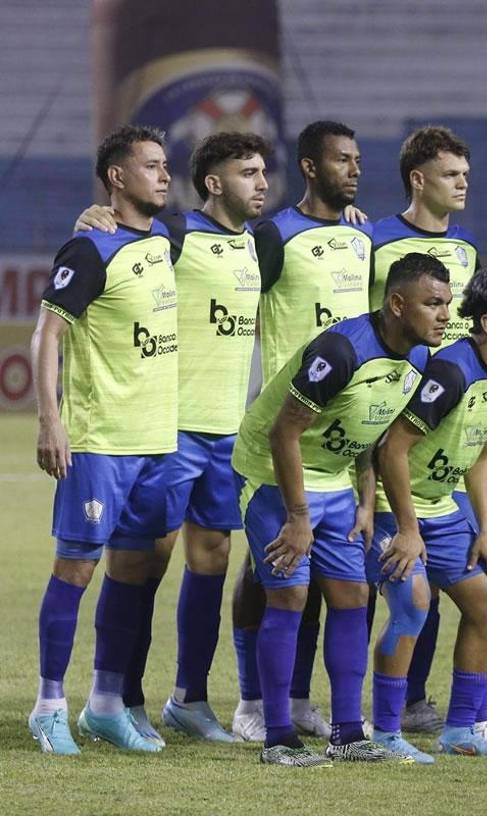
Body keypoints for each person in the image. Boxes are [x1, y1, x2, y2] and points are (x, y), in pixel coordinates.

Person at [72, 132, 273, 744]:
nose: (262, 182)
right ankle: (118, 699)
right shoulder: (175, 235)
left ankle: (189, 697)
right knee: (142, 561)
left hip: (227, 431)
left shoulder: (263, 243)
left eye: (264, 171)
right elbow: (115, 245)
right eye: (248, 172)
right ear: (214, 182)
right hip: (169, 427)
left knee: (211, 560)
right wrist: (90, 216)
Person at [230, 252, 449, 766]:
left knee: (352, 596)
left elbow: (369, 438)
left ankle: (349, 734)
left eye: (447, 303)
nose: (444, 314)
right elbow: (284, 432)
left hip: (334, 480)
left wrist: (367, 502)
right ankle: (278, 738)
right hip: (269, 472)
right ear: (397, 304)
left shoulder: (417, 360)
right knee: (289, 598)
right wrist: (298, 517)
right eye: (432, 303)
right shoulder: (343, 349)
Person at [29, 125, 177, 754]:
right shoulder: (90, 249)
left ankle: (106, 703)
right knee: (76, 568)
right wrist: (50, 420)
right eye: (151, 166)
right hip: (99, 442)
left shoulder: (164, 239)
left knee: (134, 570)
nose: (166, 175)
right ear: (118, 178)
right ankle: (47, 705)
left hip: (154, 439)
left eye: (167, 164)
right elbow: (46, 336)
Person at [231, 120, 374, 741]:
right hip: (287, 418)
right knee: (265, 569)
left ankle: (295, 698)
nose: (355, 170)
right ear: (311, 167)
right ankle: (251, 701)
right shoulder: (274, 235)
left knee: (321, 579)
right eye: (343, 160)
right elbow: (232, 293)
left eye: (358, 159)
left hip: (340, 432)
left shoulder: (364, 237)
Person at [375, 262, 487, 758]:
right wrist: (406, 529)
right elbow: (391, 451)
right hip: (391, 506)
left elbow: (481, 453)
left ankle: (462, 729)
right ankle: (383, 735)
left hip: (442, 509)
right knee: (414, 602)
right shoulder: (450, 371)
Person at [369, 125, 478, 734]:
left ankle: (413, 699)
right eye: (451, 174)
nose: (463, 183)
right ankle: (327, 697)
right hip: (385, 415)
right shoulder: (375, 240)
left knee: (431, 575)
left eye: (465, 174)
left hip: (447, 424)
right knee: (365, 581)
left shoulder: (465, 247)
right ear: (418, 178)